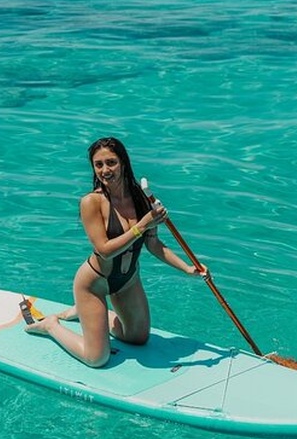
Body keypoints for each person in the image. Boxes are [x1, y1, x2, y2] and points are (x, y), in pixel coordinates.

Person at [26, 137, 206, 367]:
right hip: (94, 283)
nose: (105, 170)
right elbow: (104, 250)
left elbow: (153, 244)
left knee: (138, 338)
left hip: (127, 280)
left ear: (123, 163)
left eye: (111, 162)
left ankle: (82, 313)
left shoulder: (142, 198)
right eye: (98, 164)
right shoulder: (91, 202)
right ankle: (51, 326)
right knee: (97, 358)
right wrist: (142, 225)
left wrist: (188, 269)